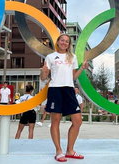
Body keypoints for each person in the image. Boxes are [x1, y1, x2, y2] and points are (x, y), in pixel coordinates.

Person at [41, 33, 88, 162]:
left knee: (77, 121)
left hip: (69, 90)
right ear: (58, 42)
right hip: (55, 89)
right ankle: (58, 151)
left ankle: (70, 150)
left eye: (67, 41)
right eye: (62, 40)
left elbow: (72, 77)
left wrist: (82, 68)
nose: (64, 43)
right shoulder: (50, 57)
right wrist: (44, 71)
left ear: (69, 44)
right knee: (55, 121)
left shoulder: (72, 57)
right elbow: (43, 78)